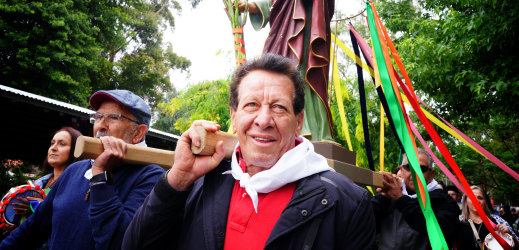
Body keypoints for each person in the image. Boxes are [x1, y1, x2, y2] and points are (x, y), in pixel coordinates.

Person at [123, 53, 375, 249]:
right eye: (251, 105)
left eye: (278, 107)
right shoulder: (200, 181)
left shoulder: (347, 202)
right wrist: (177, 179)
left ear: (299, 122)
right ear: (234, 116)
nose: (263, 120)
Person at [1, 90, 164, 250]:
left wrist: (100, 175)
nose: (101, 125)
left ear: (138, 133)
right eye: (98, 117)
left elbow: (119, 242)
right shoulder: (75, 170)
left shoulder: (151, 177)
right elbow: (32, 229)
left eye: (113, 118)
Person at [236, 0, 337, 141]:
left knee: (300, 75)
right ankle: (277, 126)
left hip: (306, 30)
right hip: (282, 32)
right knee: (275, 75)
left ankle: (314, 132)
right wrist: (249, 7)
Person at [372, 148, 460, 249]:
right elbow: (365, 226)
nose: (414, 173)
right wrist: (382, 199)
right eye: (409, 167)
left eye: (421, 169)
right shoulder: (388, 195)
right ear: (401, 170)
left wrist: (401, 200)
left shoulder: (444, 201)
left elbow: (439, 230)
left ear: (431, 174)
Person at [9, 127, 81, 223]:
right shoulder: (38, 183)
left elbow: (69, 221)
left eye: (62, 144)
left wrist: (39, 208)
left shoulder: (78, 187)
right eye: (52, 143)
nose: (53, 148)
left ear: (76, 150)